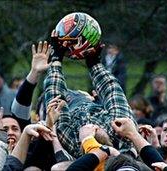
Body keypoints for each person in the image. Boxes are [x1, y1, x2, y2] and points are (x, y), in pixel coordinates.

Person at [43, 30, 136, 158]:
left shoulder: (74, 142)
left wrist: (56, 58)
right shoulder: (120, 133)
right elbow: (111, 90)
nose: (91, 130)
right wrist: (94, 64)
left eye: (88, 139)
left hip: (71, 102)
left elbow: (55, 97)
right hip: (89, 99)